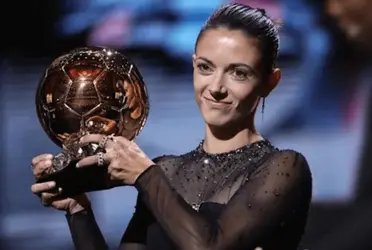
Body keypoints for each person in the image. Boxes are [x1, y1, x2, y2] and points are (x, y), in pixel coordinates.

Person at [30, 3, 312, 250]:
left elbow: (210, 247)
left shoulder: (283, 168)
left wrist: (145, 176)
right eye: (205, 68)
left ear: (270, 81)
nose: (215, 87)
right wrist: (78, 210)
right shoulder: (166, 171)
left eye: (238, 73)